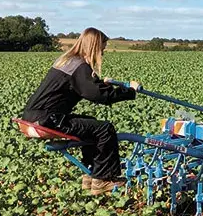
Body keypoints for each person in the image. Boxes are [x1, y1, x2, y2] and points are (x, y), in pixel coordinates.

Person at [21, 27, 140, 195]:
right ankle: (104, 179)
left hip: (35, 116)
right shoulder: (79, 66)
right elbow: (99, 96)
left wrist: (101, 84)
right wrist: (130, 91)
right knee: (104, 129)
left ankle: (91, 174)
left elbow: (85, 87)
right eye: (102, 49)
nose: (103, 54)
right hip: (48, 119)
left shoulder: (68, 61)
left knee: (91, 126)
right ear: (94, 47)